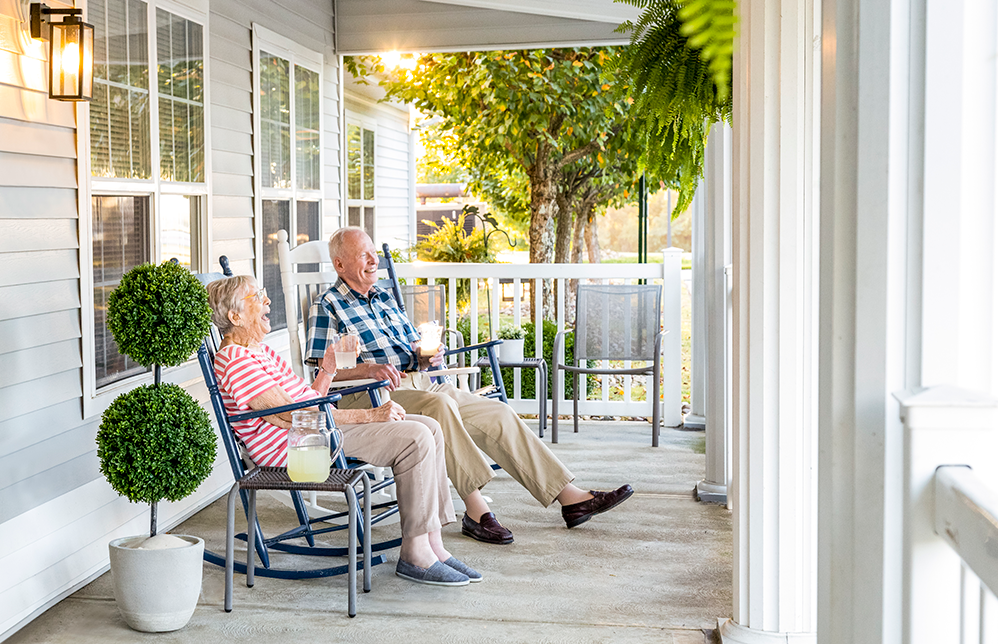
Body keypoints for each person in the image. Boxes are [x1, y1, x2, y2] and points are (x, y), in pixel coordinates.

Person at [304, 227, 633, 544]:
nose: (374, 260)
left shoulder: (385, 298)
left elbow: (411, 349)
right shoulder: (328, 305)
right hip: (370, 396)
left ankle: (570, 498)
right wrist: (369, 368)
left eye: (374, 253)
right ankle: (476, 510)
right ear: (340, 264)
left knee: (498, 413)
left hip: (420, 383)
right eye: (364, 255)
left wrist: (426, 354)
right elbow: (322, 367)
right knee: (441, 407)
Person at [206, 274, 479, 586]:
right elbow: (288, 417)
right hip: (298, 448)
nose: (267, 301)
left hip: (314, 431)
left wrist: (329, 367)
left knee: (431, 428)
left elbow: (306, 402)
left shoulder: (259, 351)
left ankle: (434, 546)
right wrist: (372, 414)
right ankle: (415, 553)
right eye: (258, 296)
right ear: (235, 316)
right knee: (415, 438)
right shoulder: (235, 359)